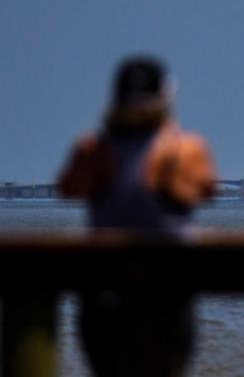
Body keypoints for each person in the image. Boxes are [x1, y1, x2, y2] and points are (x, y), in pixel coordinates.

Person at [57, 55, 216, 377]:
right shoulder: (182, 149)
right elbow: (205, 189)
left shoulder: (93, 148)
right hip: (166, 288)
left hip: (104, 287)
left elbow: (68, 187)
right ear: (166, 97)